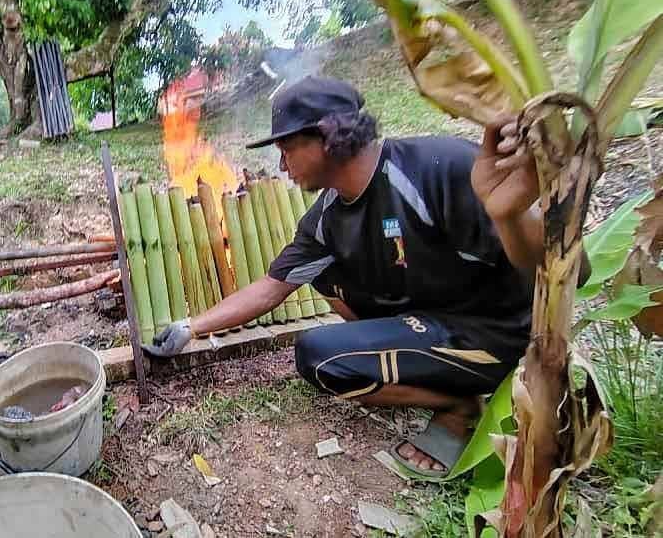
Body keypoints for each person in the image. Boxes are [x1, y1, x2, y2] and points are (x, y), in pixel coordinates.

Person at [143, 76, 582, 476]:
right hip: (431, 318)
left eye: (287, 149)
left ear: (327, 137)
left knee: (320, 351)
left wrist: (509, 215)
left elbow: (570, 272)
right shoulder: (327, 217)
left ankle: (458, 408)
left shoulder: (439, 167)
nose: (281, 167)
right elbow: (273, 287)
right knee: (321, 295)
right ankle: (452, 392)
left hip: (503, 336)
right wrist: (190, 327)